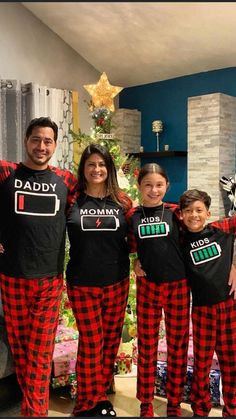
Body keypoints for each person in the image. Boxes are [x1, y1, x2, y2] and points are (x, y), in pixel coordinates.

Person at [0, 117, 77, 417]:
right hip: (12, 277)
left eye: (47, 141)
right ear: (26, 140)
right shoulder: (6, 172)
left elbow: (98, 192)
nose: (41, 146)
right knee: (21, 353)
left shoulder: (65, 180)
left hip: (49, 280)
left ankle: (35, 413)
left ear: (55, 145)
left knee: (41, 353)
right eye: (36, 140)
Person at [66, 143, 133, 417]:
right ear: (84, 168)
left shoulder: (123, 201)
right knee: (92, 342)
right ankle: (87, 404)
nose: (97, 169)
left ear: (110, 168)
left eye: (102, 164)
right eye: (91, 164)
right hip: (82, 283)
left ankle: (99, 397)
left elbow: (136, 237)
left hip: (117, 281)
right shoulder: (72, 199)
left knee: (110, 342)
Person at [127, 163, 190, 417]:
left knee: (177, 346)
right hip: (148, 288)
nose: (154, 190)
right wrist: (135, 261)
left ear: (167, 186)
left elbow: (197, 238)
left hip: (178, 287)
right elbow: (130, 246)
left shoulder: (177, 213)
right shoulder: (132, 215)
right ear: (139, 186)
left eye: (159, 185)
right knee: (147, 347)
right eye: (148, 185)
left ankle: (174, 402)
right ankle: (146, 402)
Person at [179, 188, 236, 417]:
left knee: (231, 362)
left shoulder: (221, 230)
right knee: (201, 364)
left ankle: (232, 409)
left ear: (209, 213)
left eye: (199, 210)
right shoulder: (179, 239)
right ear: (181, 214)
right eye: (189, 211)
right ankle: (200, 409)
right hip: (201, 310)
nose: (194, 215)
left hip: (229, 307)